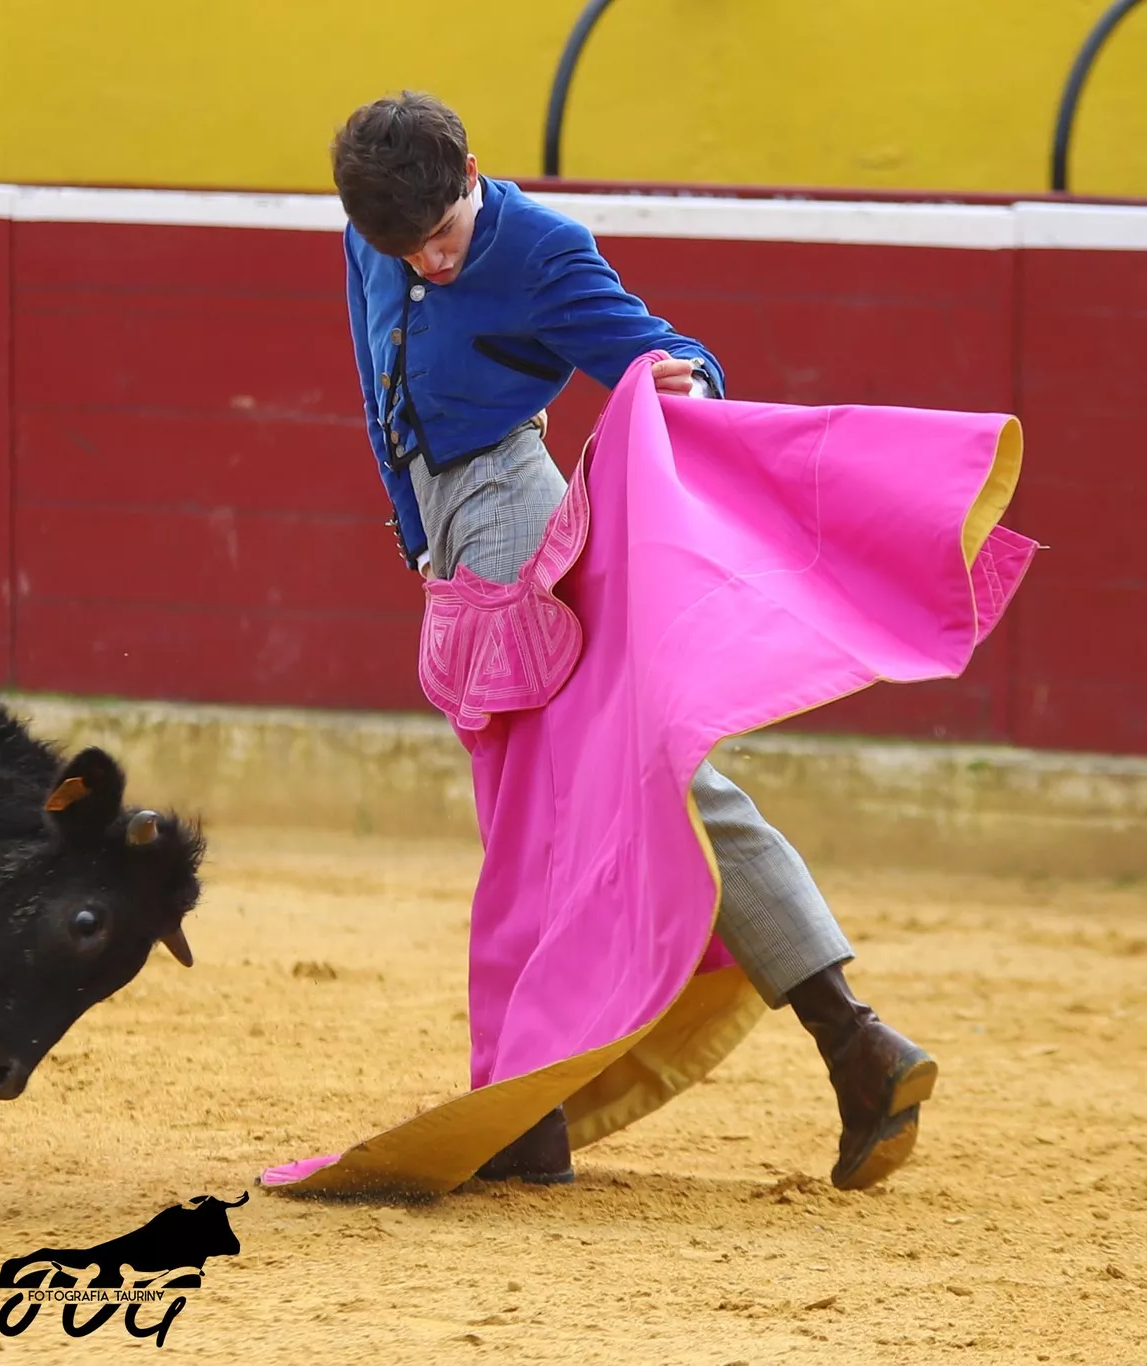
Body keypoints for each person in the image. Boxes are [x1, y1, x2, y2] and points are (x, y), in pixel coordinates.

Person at [332, 92, 936, 1191]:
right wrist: (416, 539)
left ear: (473, 168)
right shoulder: (375, 226)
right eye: (404, 248)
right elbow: (378, 395)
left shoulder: (542, 249)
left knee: (574, 808)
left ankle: (539, 1104)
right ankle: (850, 1043)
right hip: (460, 543)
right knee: (617, 791)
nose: (427, 262)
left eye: (442, 236)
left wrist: (683, 383)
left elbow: (668, 352)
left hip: (517, 523)